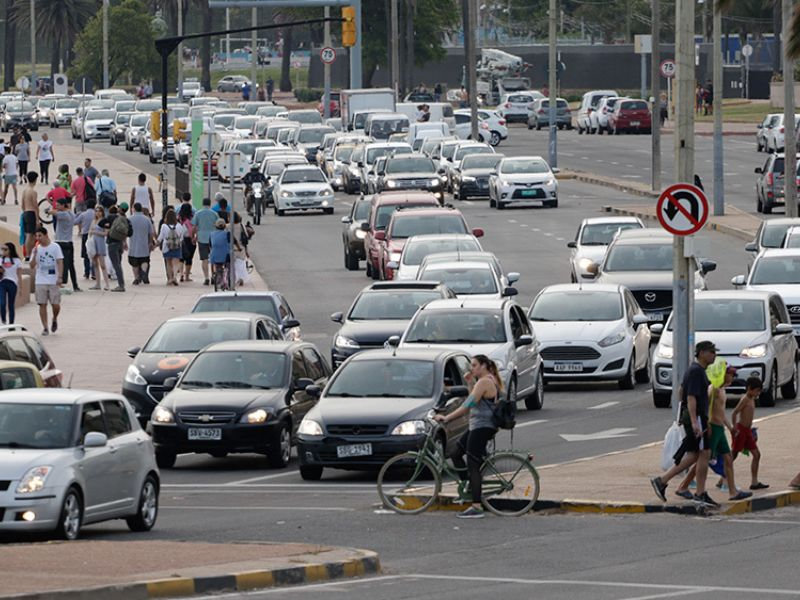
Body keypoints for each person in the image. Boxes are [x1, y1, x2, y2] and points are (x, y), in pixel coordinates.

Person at [650, 341, 719, 507]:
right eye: (711, 352)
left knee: (694, 454)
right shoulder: (696, 371)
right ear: (701, 353)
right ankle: (700, 493)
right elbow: (690, 397)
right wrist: (695, 421)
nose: (714, 355)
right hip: (697, 418)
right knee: (704, 453)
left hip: (696, 417)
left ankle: (663, 480)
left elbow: (682, 391)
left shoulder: (696, 371)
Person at [434, 354, 501, 519]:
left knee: (472, 463)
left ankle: (476, 506)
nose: (472, 368)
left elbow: (467, 405)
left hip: (482, 427)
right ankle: (468, 489)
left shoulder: (485, 381)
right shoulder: (483, 381)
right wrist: (470, 381)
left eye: (475, 365)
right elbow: (475, 398)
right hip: (477, 426)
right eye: (471, 365)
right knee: (456, 453)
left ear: (484, 366)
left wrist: (446, 418)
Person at [672, 366, 752, 502]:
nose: (732, 378)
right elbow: (703, 407)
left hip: (720, 428)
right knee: (703, 460)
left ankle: (733, 492)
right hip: (713, 428)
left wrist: (731, 428)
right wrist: (705, 423)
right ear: (723, 375)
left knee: (728, 458)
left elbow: (721, 413)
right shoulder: (713, 390)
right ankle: (683, 486)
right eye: (731, 375)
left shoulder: (722, 391)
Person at [730, 377, 769, 491]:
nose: (758, 393)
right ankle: (723, 478)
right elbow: (734, 413)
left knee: (757, 455)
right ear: (749, 389)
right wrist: (734, 428)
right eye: (756, 391)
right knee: (734, 455)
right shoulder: (745, 399)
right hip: (741, 430)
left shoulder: (751, 399)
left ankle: (754, 481)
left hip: (747, 431)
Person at [30, 226, 63, 336]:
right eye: (36, 236)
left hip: (53, 279)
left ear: (46, 235)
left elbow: (59, 262)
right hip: (40, 279)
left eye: (40, 235)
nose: (38, 238)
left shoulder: (55, 247)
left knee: (55, 304)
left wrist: (60, 277)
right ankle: (45, 327)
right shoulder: (36, 249)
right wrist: (34, 254)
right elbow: (31, 265)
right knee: (42, 304)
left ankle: (54, 318)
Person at [52, 197, 80, 292]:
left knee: (60, 264)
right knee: (71, 265)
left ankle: (61, 282)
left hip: (61, 242)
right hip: (69, 242)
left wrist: (49, 211)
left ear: (64, 205)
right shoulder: (71, 214)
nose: (56, 206)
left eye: (58, 205)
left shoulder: (62, 214)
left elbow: (53, 212)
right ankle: (75, 285)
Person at [192, 197, 218, 286]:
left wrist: (193, 236)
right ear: (210, 204)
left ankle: (206, 277)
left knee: (204, 259)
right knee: (213, 258)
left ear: (203, 204)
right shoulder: (214, 214)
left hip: (202, 238)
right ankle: (214, 275)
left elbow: (194, 227)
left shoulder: (198, 213)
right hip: (213, 238)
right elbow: (218, 225)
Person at [105, 203, 130, 292]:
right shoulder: (125, 219)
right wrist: (124, 242)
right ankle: (121, 283)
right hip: (119, 243)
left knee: (116, 265)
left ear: (120, 209)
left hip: (113, 243)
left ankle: (121, 285)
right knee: (118, 264)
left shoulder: (117, 218)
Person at [128, 202, 155, 285]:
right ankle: (143, 272)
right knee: (144, 260)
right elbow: (151, 233)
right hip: (144, 244)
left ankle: (136, 278)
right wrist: (150, 242)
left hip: (133, 243)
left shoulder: (130, 219)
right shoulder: (147, 219)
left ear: (134, 209)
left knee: (134, 262)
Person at [156, 207, 184, 286]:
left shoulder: (164, 226)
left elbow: (160, 237)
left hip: (166, 247)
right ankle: (175, 276)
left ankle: (170, 278)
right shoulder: (179, 226)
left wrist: (156, 244)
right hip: (177, 246)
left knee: (168, 263)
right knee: (176, 262)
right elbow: (181, 238)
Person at [88, 206, 110, 291]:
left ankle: (107, 284)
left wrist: (95, 232)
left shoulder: (104, 221)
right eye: (96, 211)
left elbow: (106, 233)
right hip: (93, 242)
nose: (97, 213)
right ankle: (97, 283)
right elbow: (90, 231)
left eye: (99, 211)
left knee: (102, 264)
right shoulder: (93, 221)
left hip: (100, 242)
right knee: (95, 264)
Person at [74, 198, 96, 279]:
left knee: (86, 254)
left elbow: (75, 222)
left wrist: (77, 214)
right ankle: (94, 272)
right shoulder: (96, 214)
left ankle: (86, 272)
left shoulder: (83, 214)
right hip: (94, 235)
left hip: (85, 234)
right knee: (94, 254)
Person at [0, 242, 21, 324]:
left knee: (11, 305)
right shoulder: (1, 259)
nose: (3, 251)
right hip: (2, 282)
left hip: (12, 283)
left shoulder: (17, 261)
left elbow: (19, 274)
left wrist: (20, 287)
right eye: (2, 249)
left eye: (5, 249)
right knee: (2, 303)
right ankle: (3, 320)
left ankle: (11, 323)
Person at [20, 171, 39, 258]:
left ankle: (27, 254)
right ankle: (29, 254)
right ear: (35, 180)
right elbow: (35, 206)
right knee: (30, 235)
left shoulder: (25, 191)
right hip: (31, 212)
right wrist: (37, 219)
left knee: (28, 234)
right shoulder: (33, 192)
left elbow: (22, 204)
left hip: (26, 212)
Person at [210, 218, 233, 285]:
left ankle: (216, 276)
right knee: (228, 265)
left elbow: (210, 245)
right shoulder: (227, 234)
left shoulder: (212, 234)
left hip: (215, 255)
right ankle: (228, 278)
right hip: (226, 255)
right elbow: (231, 243)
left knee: (218, 266)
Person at [178, 202, 195, 282]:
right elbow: (191, 230)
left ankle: (181, 273)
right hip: (188, 239)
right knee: (189, 258)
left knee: (181, 258)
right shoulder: (190, 219)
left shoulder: (179, 218)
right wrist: (193, 238)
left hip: (180, 239)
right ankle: (187, 276)